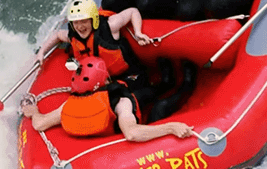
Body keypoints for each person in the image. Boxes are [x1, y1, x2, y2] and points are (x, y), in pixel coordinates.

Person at [38, 0, 196, 122]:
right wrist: (41, 53)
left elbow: (133, 11)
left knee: (130, 96)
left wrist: (139, 32)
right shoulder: (73, 35)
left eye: (84, 21)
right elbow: (57, 35)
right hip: (105, 82)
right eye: (76, 23)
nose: (80, 27)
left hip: (130, 75)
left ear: (93, 19)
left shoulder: (110, 26)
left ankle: (166, 85)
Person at [20, 56, 193, 142]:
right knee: (159, 106)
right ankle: (186, 85)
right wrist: (171, 127)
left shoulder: (68, 105)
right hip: (128, 123)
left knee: (143, 94)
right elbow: (132, 133)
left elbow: (39, 123)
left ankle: (166, 83)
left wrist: (33, 111)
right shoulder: (121, 102)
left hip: (111, 117)